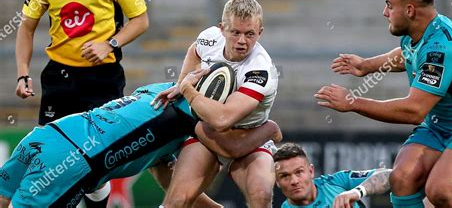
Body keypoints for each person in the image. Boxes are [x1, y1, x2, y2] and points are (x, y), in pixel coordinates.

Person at [15, 0, 149, 206]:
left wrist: (110, 43)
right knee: (49, 158)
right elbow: (26, 27)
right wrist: (23, 73)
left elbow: (140, 20)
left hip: (103, 79)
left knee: (95, 165)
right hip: (59, 79)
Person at [315, 0, 452, 208]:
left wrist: (352, 103)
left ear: (409, 10)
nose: (385, 12)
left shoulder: (442, 47)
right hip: (438, 126)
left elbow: (413, 111)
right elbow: (407, 55)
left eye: (390, 5)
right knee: (401, 178)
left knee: (440, 190)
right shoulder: (419, 33)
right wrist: (365, 65)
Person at [0, 81, 282, 208]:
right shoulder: (193, 117)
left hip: (47, 134)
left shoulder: (158, 87)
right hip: (73, 160)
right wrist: (270, 128)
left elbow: (164, 173)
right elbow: (231, 148)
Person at [152, 0, 279, 207]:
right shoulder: (209, 37)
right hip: (209, 133)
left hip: (248, 136)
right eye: (235, 32)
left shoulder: (260, 68)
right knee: (178, 199)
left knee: (260, 194)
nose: (242, 41)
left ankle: (270, 130)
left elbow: (222, 118)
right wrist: (180, 82)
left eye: (250, 34)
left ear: (260, 32)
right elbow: (195, 49)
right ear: (222, 28)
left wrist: (187, 89)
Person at [273, 143, 392, 208]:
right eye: (285, 176)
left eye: (299, 172)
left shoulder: (336, 182)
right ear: (277, 182)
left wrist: (357, 192)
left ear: (311, 171)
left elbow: (390, 175)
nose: (294, 181)